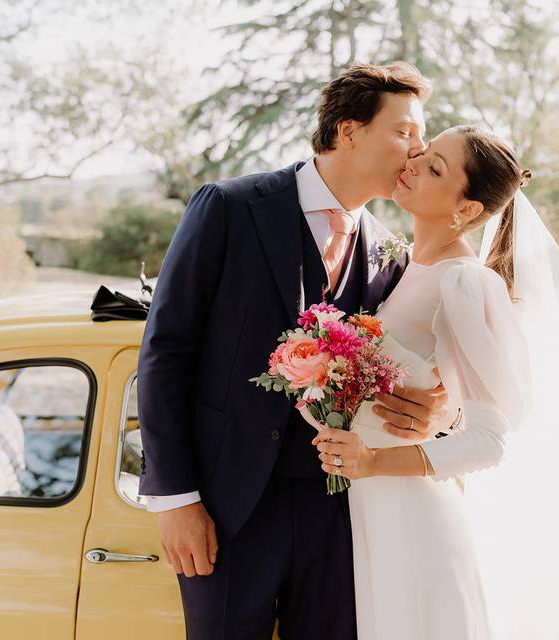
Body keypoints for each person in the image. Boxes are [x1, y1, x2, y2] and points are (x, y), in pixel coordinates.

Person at [136, 62, 460, 640]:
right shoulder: (230, 208)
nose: (416, 152)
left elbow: (419, 366)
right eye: (404, 132)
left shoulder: (390, 251)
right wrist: (176, 500)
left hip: (342, 513)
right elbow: (166, 353)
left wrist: (440, 413)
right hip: (225, 509)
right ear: (349, 130)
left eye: (422, 139)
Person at [313, 126, 559, 639]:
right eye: (423, 153)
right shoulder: (400, 266)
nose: (413, 164)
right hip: (373, 518)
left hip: (415, 522)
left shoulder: (464, 282)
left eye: (435, 167)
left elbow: (490, 440)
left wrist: (372, 461)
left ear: (465, 211)